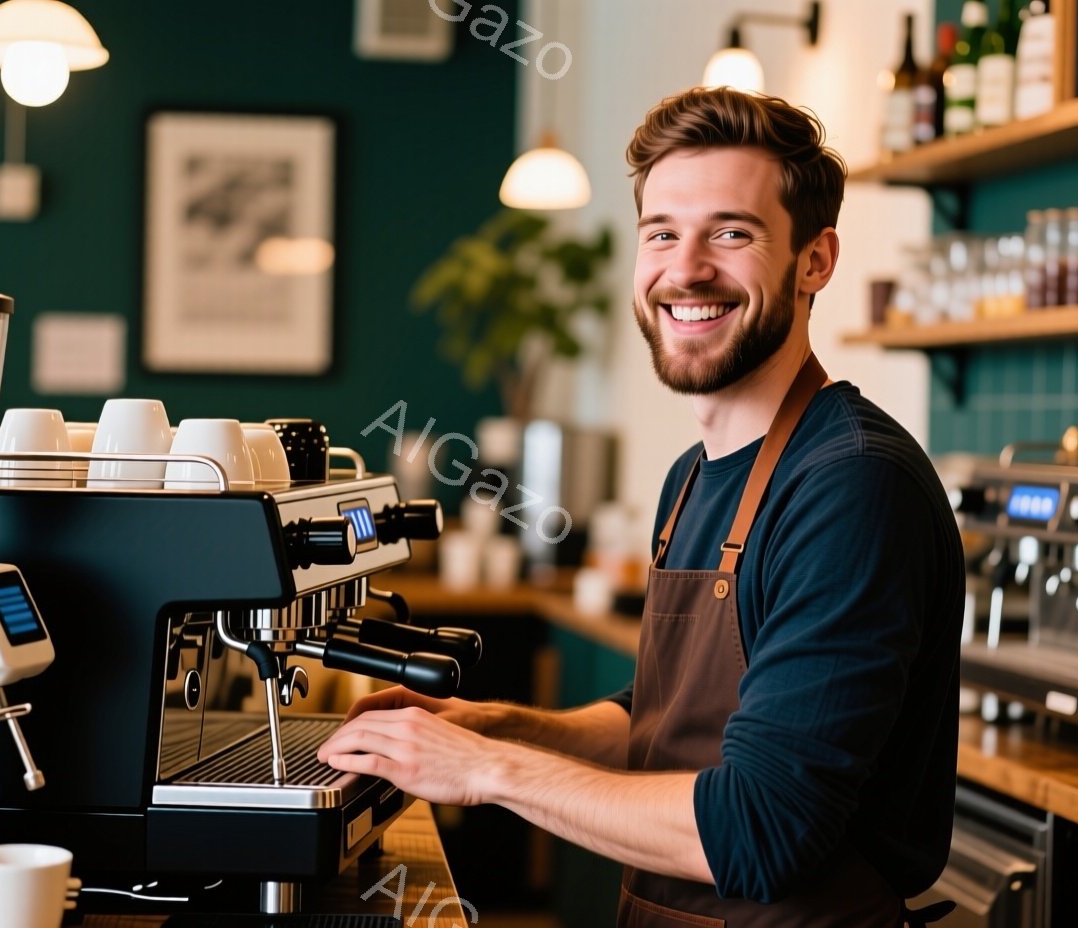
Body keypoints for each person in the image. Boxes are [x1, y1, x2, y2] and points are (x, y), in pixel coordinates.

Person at [319, 87, 963, 927]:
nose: (685, 269)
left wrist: (484, 771)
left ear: (816, 260)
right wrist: (496, 728)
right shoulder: (692, 476)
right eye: (662, 233)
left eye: (731, 233)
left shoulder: (851, 485)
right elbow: (657, 727)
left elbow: (762, 830)